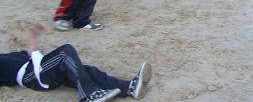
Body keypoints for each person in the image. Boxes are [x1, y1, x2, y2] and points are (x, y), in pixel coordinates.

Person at [0, 23, 152, 101]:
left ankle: (130, 88)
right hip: (32, 76)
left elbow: (31, 52)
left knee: (85, 70)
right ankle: (89, 95)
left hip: (41, 67)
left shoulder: (10, 56)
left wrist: (34, 33)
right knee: (65, 52)